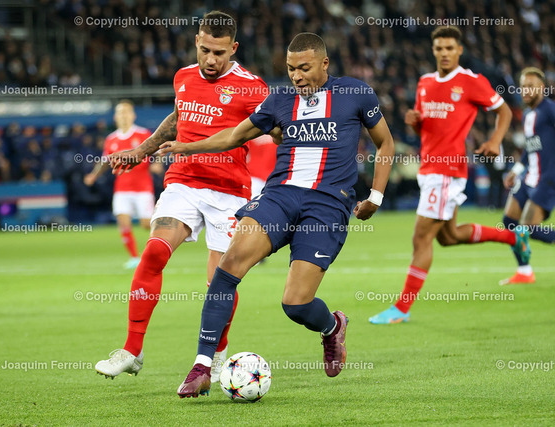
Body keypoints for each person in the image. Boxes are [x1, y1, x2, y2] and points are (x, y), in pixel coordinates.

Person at [160, 32, 395, 398]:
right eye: (290, 69)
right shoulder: (280, 99)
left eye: (304, 68)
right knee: (228, 264)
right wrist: (187, 147)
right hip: (279, 197)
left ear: (324, 64)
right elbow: (234, 136)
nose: (296, 76)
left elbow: (385, 142)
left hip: (327, 205)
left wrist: (376, 196)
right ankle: (202, 366)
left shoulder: (355, 93)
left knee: (295, 304)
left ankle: (332, 327)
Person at [96, 11, 269, 382]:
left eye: (219, 53)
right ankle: (132, 350)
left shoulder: (253, 87)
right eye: (205, 50)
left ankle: (217, 353)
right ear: (196, 42)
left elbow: (278, 131)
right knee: (154, 253)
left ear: (233, 48)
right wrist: (140, 151)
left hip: (229, 192)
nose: (211, 59)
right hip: (183, 183)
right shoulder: (184, 77)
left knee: (220, 281)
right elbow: (177, 119)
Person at [369, 26, 527, 325]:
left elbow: (504, 111)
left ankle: (401, 308)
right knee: (449, 237)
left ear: (459, 51)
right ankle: (513, 237)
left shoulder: (470, 81)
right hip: (428, 168)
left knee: (421, 238)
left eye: (449, 48)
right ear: (433, 50)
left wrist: (495, 141)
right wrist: (415, 122)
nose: (444, 53)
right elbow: (425, 129)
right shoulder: (425, 82)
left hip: (447, 170)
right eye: (439, 48)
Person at [500, 67, 555, 285]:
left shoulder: (549, 110)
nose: (526, 90)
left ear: (542, 88)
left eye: (531, 86)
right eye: (523, 86)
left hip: (547, 179)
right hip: (528, 178)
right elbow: (530, 148)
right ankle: (524, 271)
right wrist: (516, 170)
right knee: (509, 221)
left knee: (529, 228)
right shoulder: (527, 115)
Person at [84, 100, 155, 269]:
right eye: (120, 112)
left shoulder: (143, 134)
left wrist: (157, 163)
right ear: (115, 117)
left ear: (133, 115)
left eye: (126, 112)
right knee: (123, 222)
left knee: (147, 224)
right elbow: (105, 161)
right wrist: (93, 175)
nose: (123, 115)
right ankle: (134, 258)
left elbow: (157, 151)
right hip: (122, 188)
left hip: (143, 187)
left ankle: (155, 251)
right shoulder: (111, 139)